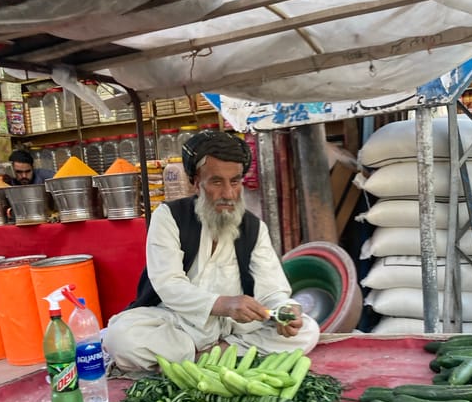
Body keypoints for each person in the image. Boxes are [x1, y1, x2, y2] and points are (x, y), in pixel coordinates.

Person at [105, 130, 320, 372]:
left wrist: (285, 309)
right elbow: (168, 284)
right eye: (217, 182)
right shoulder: (169, 217)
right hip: (179, 325)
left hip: (234, 329)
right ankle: (217, 356)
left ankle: (206, 357)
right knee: (121, 338)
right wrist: (222, 304)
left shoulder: (253, 227)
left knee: (308, 330)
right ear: (195, 182)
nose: (228, 193)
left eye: (235, 181)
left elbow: (272, 290)